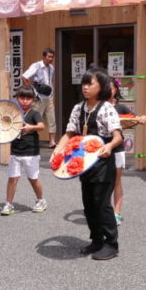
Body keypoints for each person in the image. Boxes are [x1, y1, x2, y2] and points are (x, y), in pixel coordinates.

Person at [55, 67, 123, 260]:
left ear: (100, 86)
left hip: (102, 162)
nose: (85, 87)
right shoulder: (78, 108)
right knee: (89, 204)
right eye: (83, 83)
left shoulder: (107, 108)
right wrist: (58, 151)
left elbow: (117, 136)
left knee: (102, 204)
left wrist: (109, 146)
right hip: (84, 163)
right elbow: (69, 134)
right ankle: (96, 240)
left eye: (90, 83)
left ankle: (111, 243)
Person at [1, 85, 47, 216]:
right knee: (12, 178)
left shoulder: (34, 113)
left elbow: (41, 126)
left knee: (33, 178)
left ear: (32, 100)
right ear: (16, 98)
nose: (25, 101)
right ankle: (8, 204)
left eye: (28, 98)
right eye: (22, 98)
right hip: (15, 151)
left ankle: (41, 200)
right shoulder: (13, 114)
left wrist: (30, 127)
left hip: (31, 152)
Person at [109, 79, 146, 225]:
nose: (109, 90)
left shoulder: (121, 108)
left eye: (111, 88)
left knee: (116, 181)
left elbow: (135, 118)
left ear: (116, 90)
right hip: (99, 147)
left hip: (117, 147)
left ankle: (117, 212)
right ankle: (103, 211)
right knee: (102, 182)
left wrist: (142, 118)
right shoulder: (98, 107)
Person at [22, 48, 57, 146]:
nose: (50, 59)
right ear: (44, 56)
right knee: (35, 119)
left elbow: (50, 81)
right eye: (49, 56)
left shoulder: (51, 67)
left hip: (49, 97)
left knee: (52, 119)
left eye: (52, 57)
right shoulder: (36, 66)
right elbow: (25, 76)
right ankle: (30, 140)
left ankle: (52, 141)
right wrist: (31, 90)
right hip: (38, 97)